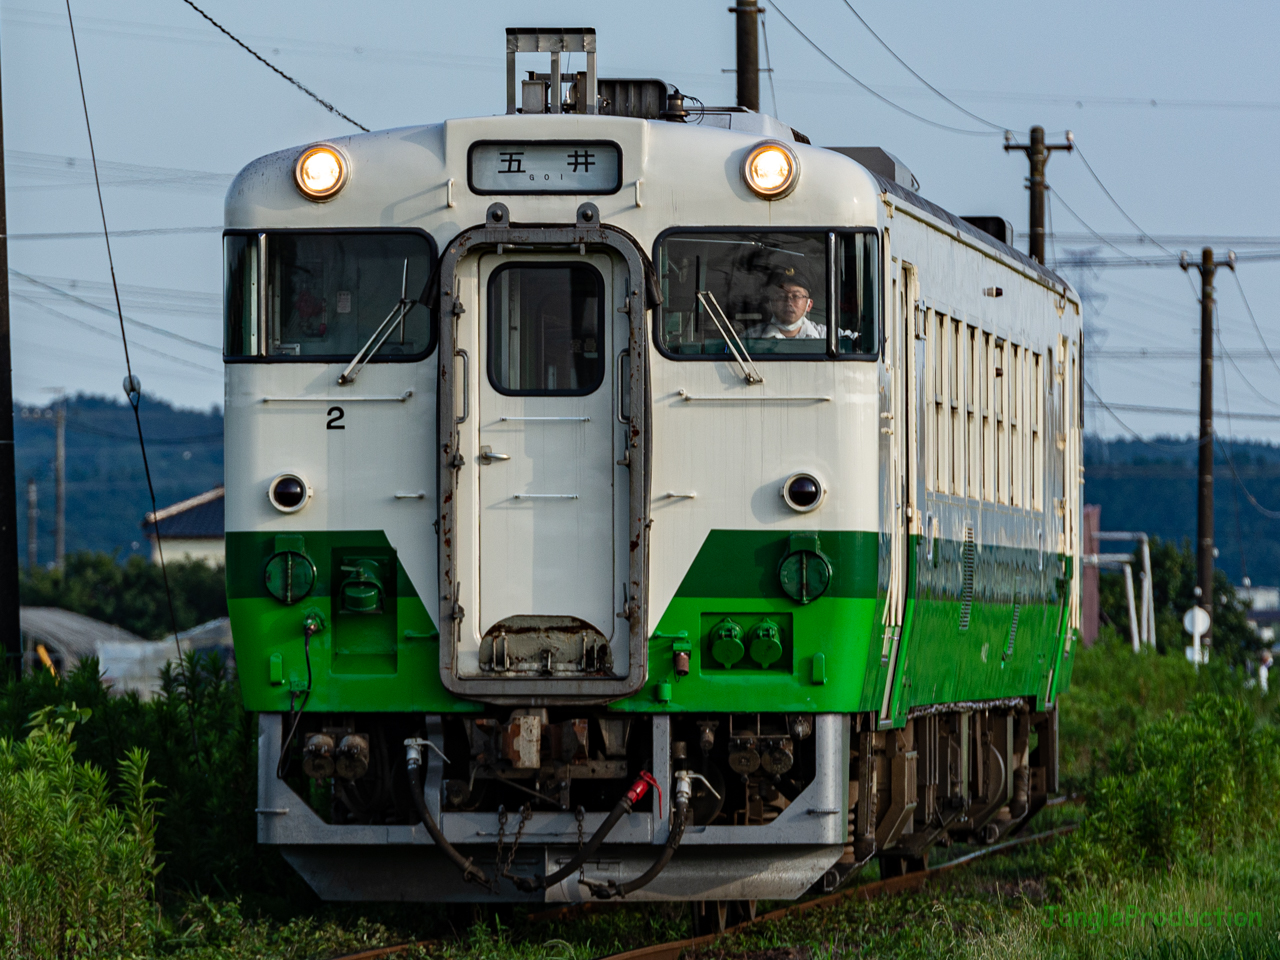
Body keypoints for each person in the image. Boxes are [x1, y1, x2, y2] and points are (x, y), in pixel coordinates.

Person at [746, 271, 827, 340]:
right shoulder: (750, 338)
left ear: (809, 305)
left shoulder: (829, 337)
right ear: (771, 303)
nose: (788, 302)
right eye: (781, 296)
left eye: (796, 296)